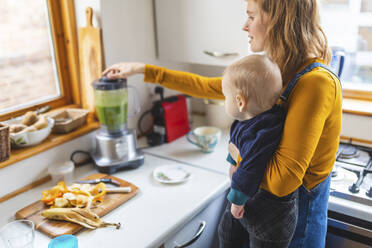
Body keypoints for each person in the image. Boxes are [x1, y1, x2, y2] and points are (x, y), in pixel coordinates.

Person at [102, 0, 342, 247]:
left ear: (278, 21)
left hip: (296, 227)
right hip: (260, 209)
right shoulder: (273, 70)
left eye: (250, 16)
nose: (244, 26)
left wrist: (237, 154)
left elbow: (283, 182)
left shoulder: (316, 83)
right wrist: (143, 70)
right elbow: (207, 86)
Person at [220, 54, 299, 247]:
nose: (224, 101)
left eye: (225, 97)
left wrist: (237, 201)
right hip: (249, 199)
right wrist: (232, 162)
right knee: (226, 232)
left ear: (240, 102)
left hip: (269, 216)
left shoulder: (262, 133)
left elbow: (250, 169)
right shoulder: (246, 119)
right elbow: (235, 140)